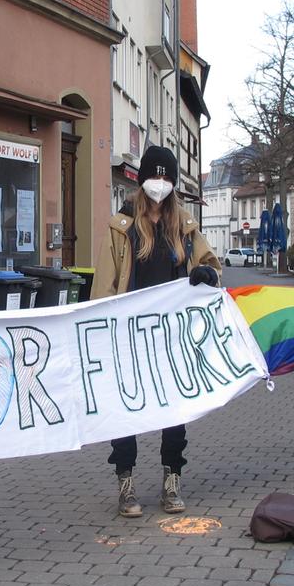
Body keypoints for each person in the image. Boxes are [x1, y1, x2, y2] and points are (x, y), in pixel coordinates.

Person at [91, 145, 220, 518]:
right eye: (154, 176)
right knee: (126, 408)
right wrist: (100, 327)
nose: (159, 184)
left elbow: (211, 265)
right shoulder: (121, 227)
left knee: (173, 410)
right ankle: (126, 482)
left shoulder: (185, 226)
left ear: (173, 183)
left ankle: (172, 479)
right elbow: (104, 284)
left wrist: (207, 273)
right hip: (129, 335)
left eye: (166, 178)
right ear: (141, 179)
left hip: (171, 336)